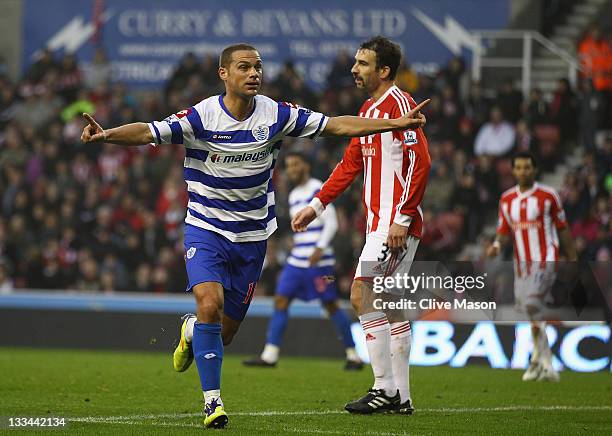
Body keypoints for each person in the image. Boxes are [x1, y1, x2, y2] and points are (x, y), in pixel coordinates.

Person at [80, 43, 428, 429]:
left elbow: (336, 126)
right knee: (209, 303)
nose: (253, 74)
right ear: (223, 74)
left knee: (223, 332)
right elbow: (149, 131)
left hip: (252, 235)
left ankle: (193, 331)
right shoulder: (201, 116)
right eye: (244, 67)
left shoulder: (277, 114)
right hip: (206, 226)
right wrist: (107, 133)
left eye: (258, 67)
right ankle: (213, 403)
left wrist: (395, 124)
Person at [292, 36, 431, 415]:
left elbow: (421, 163)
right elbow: (350, 164)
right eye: (355, 62)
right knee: (390, 305)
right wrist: (316, 204)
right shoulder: (369, 109)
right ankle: (401, 397)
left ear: (383, 70)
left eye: (363, 63)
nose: (354, 69)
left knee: (361, 294)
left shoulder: (400, 105)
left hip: (393, 223)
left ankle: (383, 388)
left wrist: (402, 217)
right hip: (379, 223)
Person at [243, 151, 363, 370]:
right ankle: (270, 355)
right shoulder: (293, 194)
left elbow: (332, 223)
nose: (292, 169)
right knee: (281, 300)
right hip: (296, 262)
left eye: (296, 164)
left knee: (331, 305)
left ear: (306, 166)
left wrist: (319, 247)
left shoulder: (318, 188)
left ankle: (353, 355)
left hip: (320, 264)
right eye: (288, 166)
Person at [486, 151, 577, 382]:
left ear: (534, 170)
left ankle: (547, 364)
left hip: (545, 258)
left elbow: (563, 228)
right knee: (530, 311)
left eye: (528, 167)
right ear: (513, 170)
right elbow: (503, 230)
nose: (523, 171)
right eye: (519, 167)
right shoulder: (507, 199)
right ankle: (537, 360)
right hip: (521, 265)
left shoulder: (549, 196)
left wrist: (572, 256)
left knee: (532, 304)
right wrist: (496, 245)